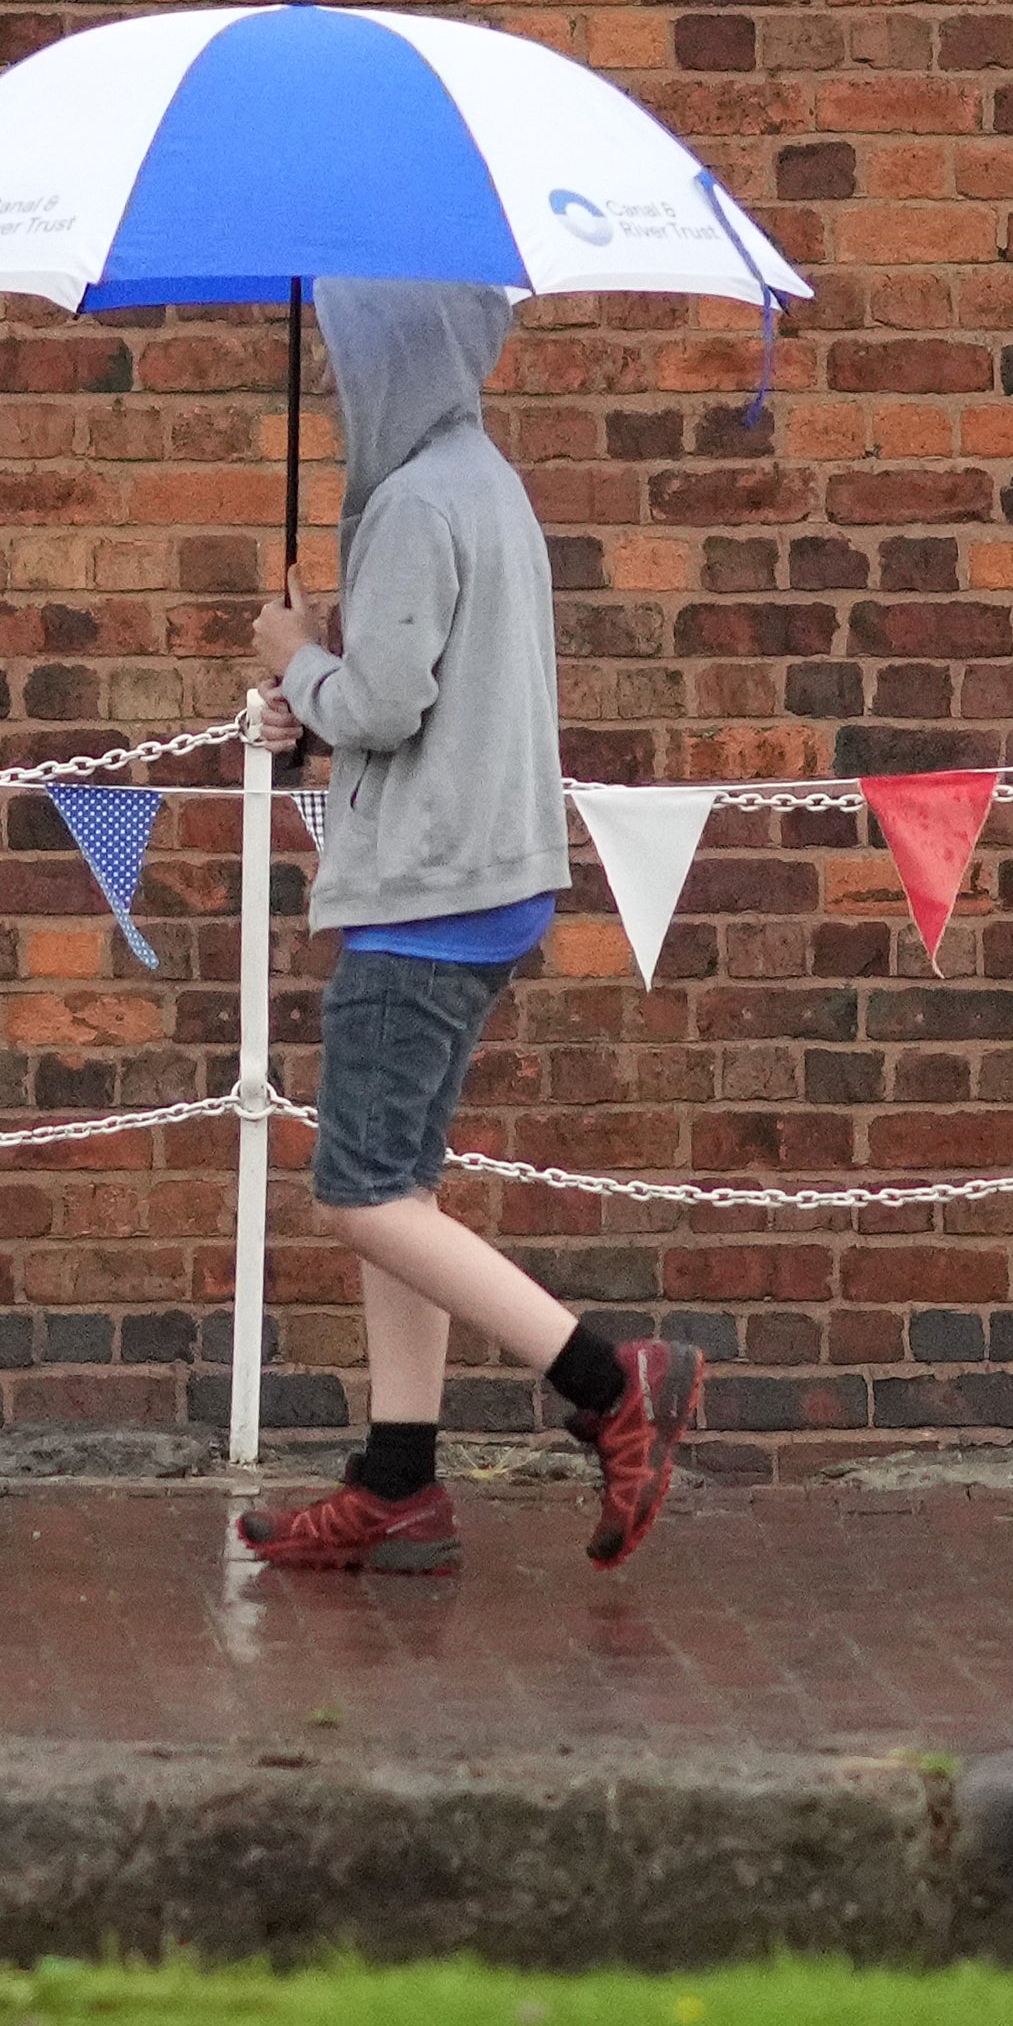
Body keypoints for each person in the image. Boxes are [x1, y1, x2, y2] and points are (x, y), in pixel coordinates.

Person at [230, 277, 702, 1575]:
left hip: (420, 894)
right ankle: (396, 1486)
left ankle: (613, 1380)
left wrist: (292, 654)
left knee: (359, 1192)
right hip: (485, 878)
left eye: (347, 351)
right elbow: (413, 695)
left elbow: (383, 702)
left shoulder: (408, 503)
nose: (330, 377)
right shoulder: (480, 478)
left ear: (396, 350)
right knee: (405, 1187)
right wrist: (311, 701)